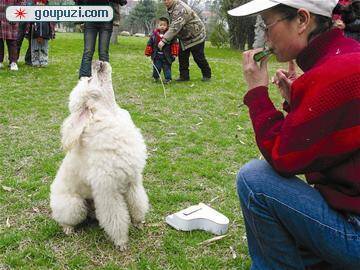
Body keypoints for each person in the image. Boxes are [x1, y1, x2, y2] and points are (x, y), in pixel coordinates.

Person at [227, 0, 360, 269]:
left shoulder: (332, 74)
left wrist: (256, 94)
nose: (266, 36)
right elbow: (328, 144)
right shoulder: (348, 55)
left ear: (301, 20)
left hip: (354, 233)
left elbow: (284, 157)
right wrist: (298, 101)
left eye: (268, 25)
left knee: (254, 179)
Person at [159, 0, 211, 82]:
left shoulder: (181, 9)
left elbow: (175, 27)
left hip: (196, 35)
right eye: (164, 0)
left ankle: (207, 75)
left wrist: (163, 40)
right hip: (185, 37)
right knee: (182, 56)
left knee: (198, 58)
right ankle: (184, 77)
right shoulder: (171, 7)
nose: (165, 2)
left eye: (168, 0)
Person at [74, 0, 127, 78]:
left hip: (106, 19)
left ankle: (104, 79)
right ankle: (84, 80)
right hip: (90, 18)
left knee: (103, 53)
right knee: (88, 51)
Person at [145, 17, 179, 84]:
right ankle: (155, 77)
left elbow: (174, 44)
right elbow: (150, 44)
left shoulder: (170, 36)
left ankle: (168, 79)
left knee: (167, 68)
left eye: (164, 25)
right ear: (157, 25)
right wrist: (148, 52)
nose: (162, 27)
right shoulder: (154, 35)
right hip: (157, 55)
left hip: (167, 56)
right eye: (161, 25)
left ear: (167, 26)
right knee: (156, 67)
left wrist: (174, 54)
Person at [26, 0, 55, 67]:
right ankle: (35, 62)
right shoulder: (32, 13)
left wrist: (52, 33)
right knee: (35, 49)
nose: (40, 4)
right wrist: (27, 33)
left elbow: (51, 24)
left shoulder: (48, 13)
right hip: (35, 34)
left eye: (42, 3)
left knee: (44, 49)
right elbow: (29, 24)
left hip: (45, 34)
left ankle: (44, 61)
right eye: (38, 3)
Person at [0, 0, 21, 71]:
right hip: (1, 18)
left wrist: (14, 16)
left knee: (12, 42)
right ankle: (0, 61)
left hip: (11, 20)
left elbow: (21, 3)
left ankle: (13, 62)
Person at [17, 0, 33, 65]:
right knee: (18, 41)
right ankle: (13, 60)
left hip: (31, 22)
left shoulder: (32, 2)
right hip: (21, 21)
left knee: (32, 42)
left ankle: (28, 60)